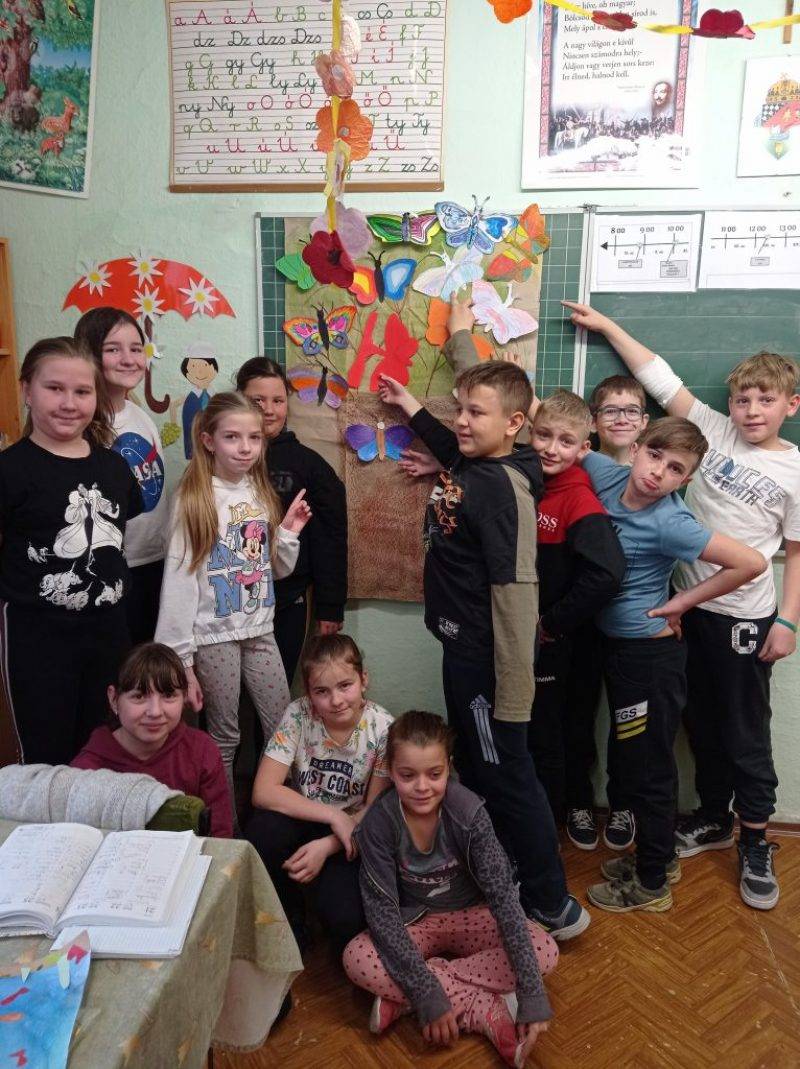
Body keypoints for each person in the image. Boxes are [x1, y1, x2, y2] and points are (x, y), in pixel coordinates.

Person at [566, 300, 800, 910]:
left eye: (767, 400)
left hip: (744, 616)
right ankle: (712, 821)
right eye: (743, 399)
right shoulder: (709, 432)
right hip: (686, 613)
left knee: (742, 730)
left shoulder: (790, 470)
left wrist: (787, 619)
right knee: (689, 729)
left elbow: (788, 554)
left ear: (791, 406)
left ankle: (754, 840)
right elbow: (658, 375)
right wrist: (608, 325)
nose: (752, 410)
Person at [377, 363, 589, 941]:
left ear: (515, 423)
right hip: (463, 652)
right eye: (461, 409)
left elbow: (517, 600)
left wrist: (513, 699)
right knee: (482, 768)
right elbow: (453, 447)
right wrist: (411, 406)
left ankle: (552, 903)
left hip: (489, 667)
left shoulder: (502, 491)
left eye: (476, 412)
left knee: (508, 776)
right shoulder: (479, 464)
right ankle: (507, 872)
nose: (462, 422)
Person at [576, 417, 766, 913]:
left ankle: (652, 881)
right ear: (637, 448)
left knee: (649, 769)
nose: (658, 472)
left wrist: (682, 602)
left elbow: (751, 563)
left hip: (648, 661)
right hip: (618, 652)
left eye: (676, 469)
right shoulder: (609, 474)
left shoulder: (671, 522)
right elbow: (560, 438)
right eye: (655, 456)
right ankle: (656, 856)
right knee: (634, 762)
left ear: (686, 480)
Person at [343, 710, 559, 1069]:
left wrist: (532, 994)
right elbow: (382, 914)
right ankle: (480, 1006)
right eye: (407, 775)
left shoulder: (469, 813)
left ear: (449, 767)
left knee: (544, 952)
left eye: (434, 774)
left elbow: (504, 900)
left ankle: (408, 996)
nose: (422, 787)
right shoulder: (379, 823)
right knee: (357, 958)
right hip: (417, 922)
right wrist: (426, 992)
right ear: (390, 771)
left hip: (474, 915)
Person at [154, 391, 311, 818]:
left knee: (284, 728)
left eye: (254, 438)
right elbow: (179, 581)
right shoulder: (195, 497)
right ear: (208, 441)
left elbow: (273, 570)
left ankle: (286, 818)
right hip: (214, 636)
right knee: (226, 737)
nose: (245, 448)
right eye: (232, 437)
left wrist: (288, 533)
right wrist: (181, 659)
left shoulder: (259, 491)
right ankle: (228, 828)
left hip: (260, 629)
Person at [0, 337, 142, 764]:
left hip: (109, 633)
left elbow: (120, 532)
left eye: (82, 391)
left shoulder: (113, 467)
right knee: (48, 757)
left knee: (105, 749)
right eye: (54, 388)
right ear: (27, 390)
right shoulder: (10, 470)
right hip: (37, 639)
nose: (68, 403)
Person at [245, 633, 391, 956]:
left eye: (345, 685)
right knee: (262, 830)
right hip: (306, 814)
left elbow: (375, 807)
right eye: (321, 691)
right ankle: (290, 919)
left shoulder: (383, 728)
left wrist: (328, 845)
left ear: (364, 680)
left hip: (352, 831)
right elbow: (263, 790)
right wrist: (332, 815)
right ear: (309, 694)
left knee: (346, 921)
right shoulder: (298, 714)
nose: (336, 700)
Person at [563, 372, 650, 850]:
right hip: (580, 619)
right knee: (576, 716)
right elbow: (538, 422)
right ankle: (577, 799)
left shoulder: (659, 474)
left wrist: (676, 607)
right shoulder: (576, 463)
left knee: (629, 720)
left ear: (645, 421)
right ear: (593, 421)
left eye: (630, 410)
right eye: (610, 410)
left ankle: (624, 804)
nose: (620, 418)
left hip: (632, 626)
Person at [235, 357, 348, 684]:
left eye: (278, 401)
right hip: (227, 600)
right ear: (239, 400)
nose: (269, 410)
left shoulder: (310, 466)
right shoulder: (221, 462)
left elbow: (331, 539)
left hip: (287, 601)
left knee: (276, 688)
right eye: (258, 400)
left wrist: (330, 606)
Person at [74, 308, 168, 644]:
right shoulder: (82, 425)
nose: (129, 359)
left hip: (154, 560)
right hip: (112, 567)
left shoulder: (139, 414)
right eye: (113, 349)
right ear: (88, 353)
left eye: (136, 348)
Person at [71, 642, 233, 837]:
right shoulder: (87, 770)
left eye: (169, 695)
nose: (155, 712)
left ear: (184, 697)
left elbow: (220, 833)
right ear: (114, 700)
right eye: (139, 696)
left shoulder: (202, 751)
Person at [180, 343, 218, 460]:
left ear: (214, 369)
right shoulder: (190, 400)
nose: (200, 371)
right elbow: (188, 426)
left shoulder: (216, 397)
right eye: (193, 366)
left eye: (205, 365)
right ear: (186, 372)